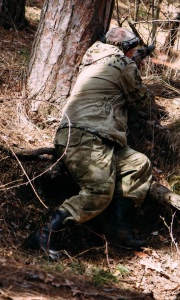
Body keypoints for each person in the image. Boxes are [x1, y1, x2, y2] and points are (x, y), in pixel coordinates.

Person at [28, 27, 154, 260]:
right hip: (85, 136)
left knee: (138, 164)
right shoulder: (123, 65)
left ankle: (117, 229)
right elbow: (143, 102)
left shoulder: (94, 60)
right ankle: (44, 235)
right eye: (134, 50)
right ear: (127, 49)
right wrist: (136, 68)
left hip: (94, 137)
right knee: (99, 190)